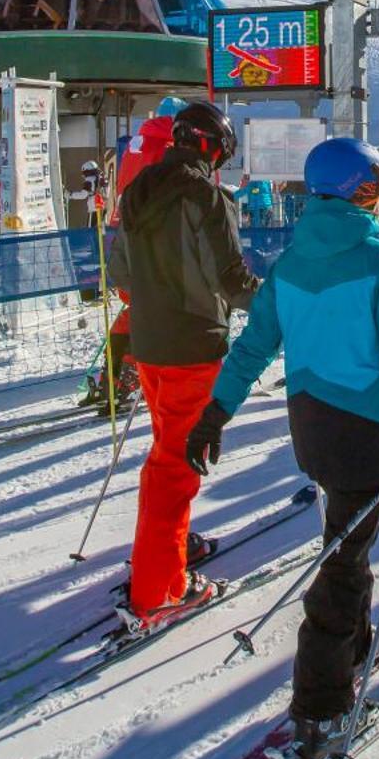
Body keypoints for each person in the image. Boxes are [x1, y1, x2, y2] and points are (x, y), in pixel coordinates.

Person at [186, 137, 379, 759]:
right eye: (378, 178)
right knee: (342, 564)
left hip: (310, 426)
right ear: (362, 187)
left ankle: (354, 652)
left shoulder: (289, 263)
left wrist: (215, 412)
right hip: (365, 434)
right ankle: (321, 706)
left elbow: (252, 348)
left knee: (346, 540)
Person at [114, 100, 258, 629]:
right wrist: (284, 300)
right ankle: (158, 591)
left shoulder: (136, 192)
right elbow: (234, 283)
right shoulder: (207, 197)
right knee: (176, 469)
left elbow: (120, 273)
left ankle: (165, 553)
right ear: (212, 148)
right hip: (192, 350)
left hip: (150, 346)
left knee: (167, 455)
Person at [83, 99, 184, 412]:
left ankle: (109, 374)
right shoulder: (170, 148)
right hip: (152, 243)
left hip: (122, 237)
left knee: (135, 308)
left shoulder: (137, 144)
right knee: (161, 311)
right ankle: (130, 371)